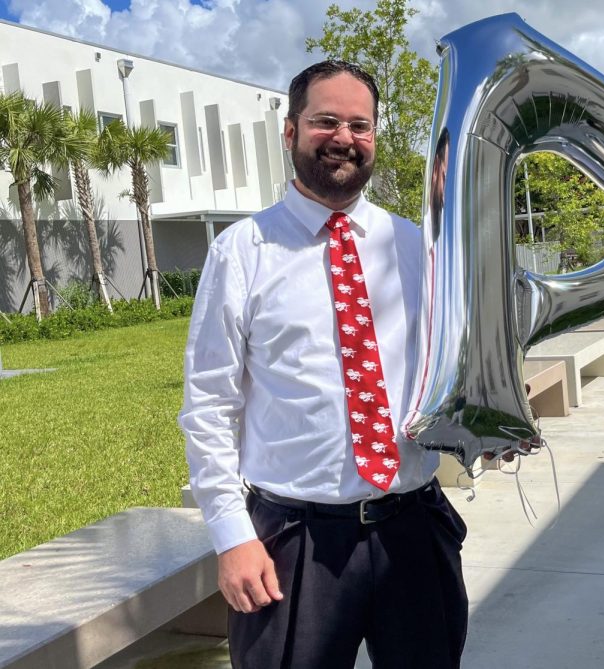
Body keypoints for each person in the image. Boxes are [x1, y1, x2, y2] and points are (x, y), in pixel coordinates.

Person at [179, 60, 468, 669]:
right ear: (291, 132)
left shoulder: (417, 246)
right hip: (293, 547)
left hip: (412, 531)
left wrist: (485, 418)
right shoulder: (243, 252)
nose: (344, 138)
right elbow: (209, 407)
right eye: (326, 121)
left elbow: (448, 369)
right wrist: (233, 538)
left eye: (360, 126)